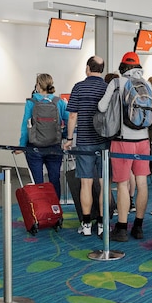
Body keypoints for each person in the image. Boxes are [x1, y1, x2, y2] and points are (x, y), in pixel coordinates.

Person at [97, 52, 152, 242]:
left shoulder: (117, 83)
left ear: (122, 67)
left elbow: (102, 107)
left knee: (122, 184)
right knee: (142, 183)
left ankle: (121, 228)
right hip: (143, 141)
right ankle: (138, 226)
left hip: (123, 140)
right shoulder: (148, 85)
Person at [63, 56, 108, 237]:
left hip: (85, 141)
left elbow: (73, 115)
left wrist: (69, 138)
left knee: (86, 183)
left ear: (88, 68)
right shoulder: (107, 88)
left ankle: (87, 224)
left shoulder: (79, 87)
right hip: (104, 141)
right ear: (102, 69)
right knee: (104, 183)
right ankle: (103, 225)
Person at [17, 73, 68, 198]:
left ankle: (41, 212)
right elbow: (68, 121)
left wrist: (22, 145)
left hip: (34, 147)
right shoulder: (59, 102)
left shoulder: (31, 102)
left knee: (38, 182)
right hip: (54, 146)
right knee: (54, 179)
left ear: (38, 85)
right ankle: (55, 211)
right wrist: (64, 136)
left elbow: (25, 125)